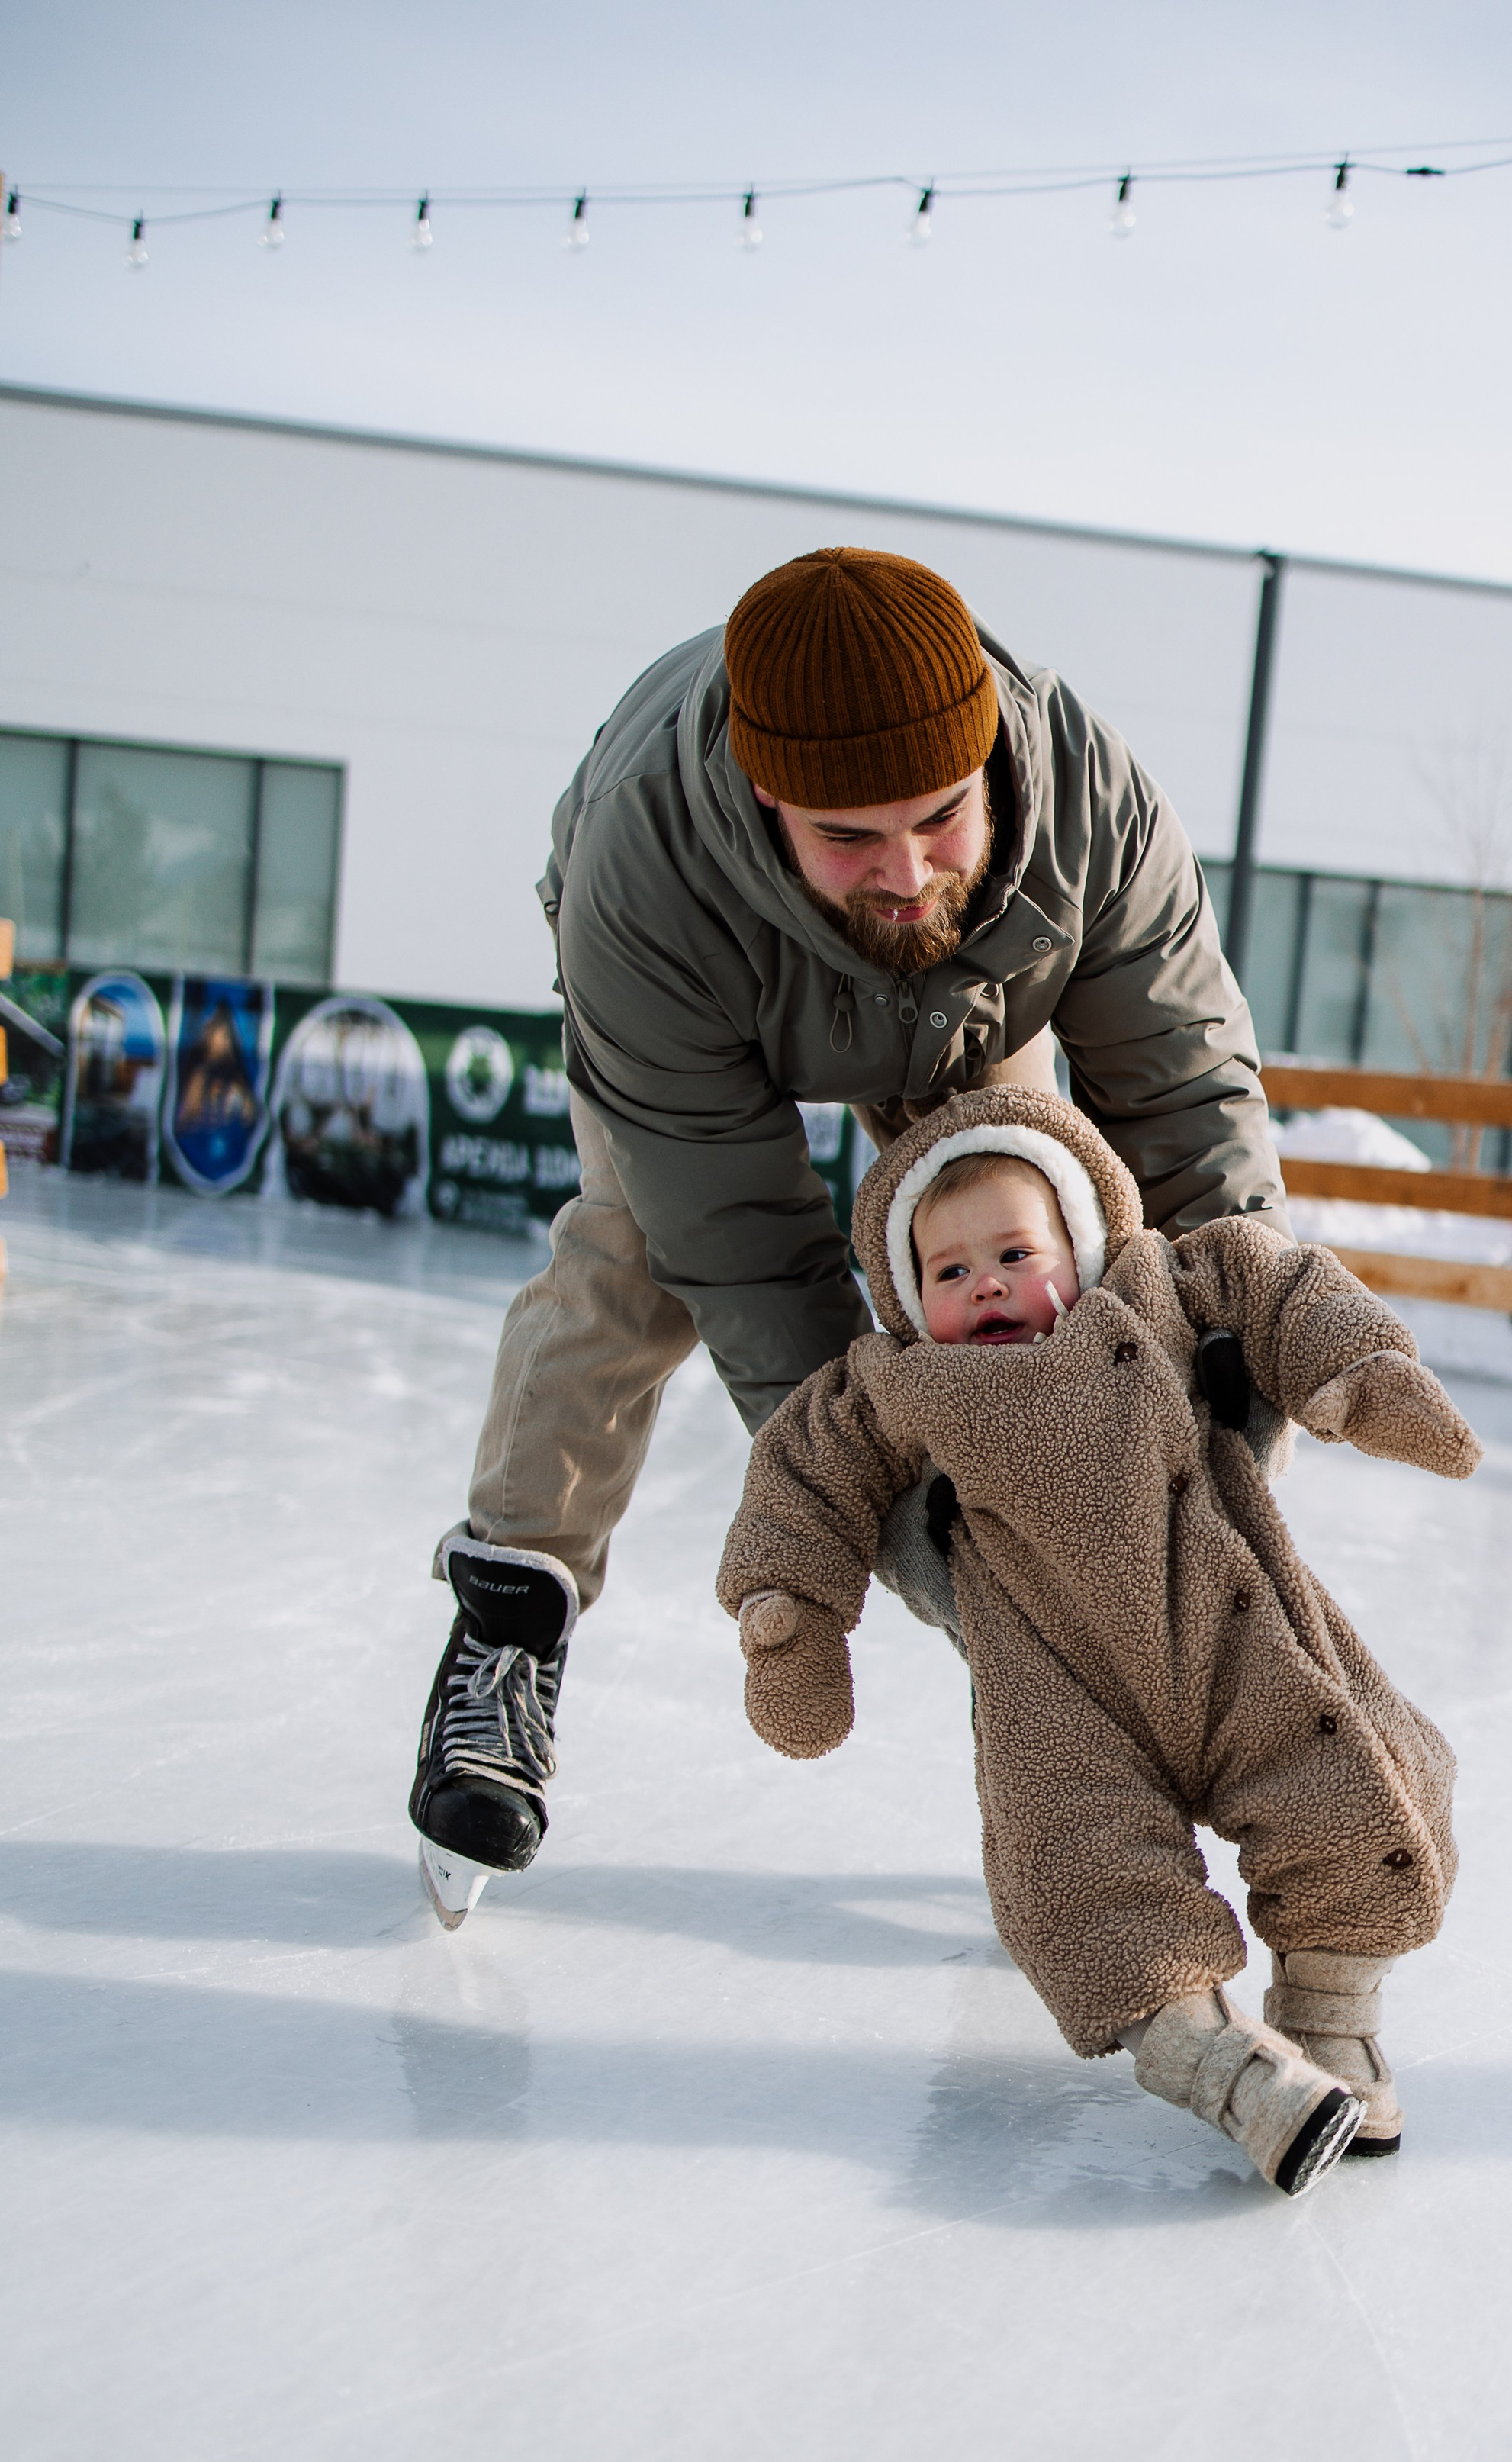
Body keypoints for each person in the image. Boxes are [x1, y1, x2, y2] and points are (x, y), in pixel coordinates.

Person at [411, 546, 1290, 1924]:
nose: (903, 872)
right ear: (770, 799)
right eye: (849, 838)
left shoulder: (1087, 805)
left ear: (990, 754)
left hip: (977, 1009)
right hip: (714, 990)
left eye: (939, 819)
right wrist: (900, 1522)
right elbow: (751, 1259)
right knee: (633, 1259)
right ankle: (510, 1619)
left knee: (1029, 1242)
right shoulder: (641, 870)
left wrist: (1231, 1367)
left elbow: (1184, 1104)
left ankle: (1078, 1738)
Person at [716, 1083, 1484, 2192]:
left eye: (1014, 1253)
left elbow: (1275, 1280)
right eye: (947, 1270)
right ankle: (1223, 2072)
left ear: (1079, 1246)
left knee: (1363, 1779)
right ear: (906, 1295)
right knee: (1076, 1875)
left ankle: (1332, 2023)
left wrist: (1355, 1375)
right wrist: (790, 1617)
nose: (985, 1282)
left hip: (1230, 1626)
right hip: (1055, 1688)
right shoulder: (894, 1386)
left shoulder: (1160, 1289)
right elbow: (803, 1475)